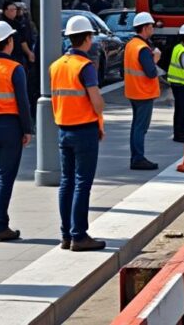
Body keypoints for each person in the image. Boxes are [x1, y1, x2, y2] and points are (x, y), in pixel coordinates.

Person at [51, 15, 105, 251]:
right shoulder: (85, 67)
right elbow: (97, 102)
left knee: (67, 182)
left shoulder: (56, 65)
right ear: (87, 38)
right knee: (83, 183)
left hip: (64, 129)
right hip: (84, 130)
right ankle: (79, 235)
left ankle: (66, 235)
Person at [0, 22, 32, 241]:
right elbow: (23, 101)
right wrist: (27, 129)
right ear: (9, 42)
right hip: (9, 126)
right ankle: (1, 225)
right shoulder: (14, 68)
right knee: (5, 176)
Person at [124, 12, 161, 170]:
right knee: (141, 127)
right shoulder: (143, 48)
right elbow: (151, 72)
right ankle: (138, 158)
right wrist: (156, 58)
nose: (152, 29)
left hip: (133, 91)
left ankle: (136, 157)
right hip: (143, 92)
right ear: (145, 28)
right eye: (151, 26)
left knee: (136, 126)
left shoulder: (131, 44)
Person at [1, 1, 33, 66]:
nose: (14, 12)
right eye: (11, 10)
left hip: (18, 56)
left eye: (15, 10)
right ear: (5, 11)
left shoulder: (17, 24)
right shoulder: (1, 24)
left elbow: (22, 41)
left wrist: (29, 53)